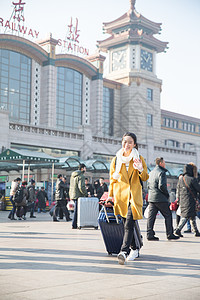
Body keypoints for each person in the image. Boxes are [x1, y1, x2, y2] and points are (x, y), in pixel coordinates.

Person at [107, 132, 149, 265]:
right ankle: (135, 249)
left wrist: (141, 169)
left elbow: (145, 177)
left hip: (133, 196)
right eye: (125, 142)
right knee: (125, 224)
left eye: (130, 142)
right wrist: (110, 196)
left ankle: (124, 251)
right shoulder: (116, 159)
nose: (127, 144)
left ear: (134, 144)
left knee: (129, 224)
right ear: (122, 143)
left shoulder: (138, 158)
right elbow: (112, 180)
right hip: (121, 196)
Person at [147, 157, 179, 241]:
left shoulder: (151, 172)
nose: (165, 164)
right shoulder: (162, 172)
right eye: (164, 162)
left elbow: (148, 185)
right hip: (160, 198)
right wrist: (166, 194)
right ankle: (170, 234)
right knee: (168, 215)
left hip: (152, 198)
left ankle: (149, 234)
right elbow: (162, 186)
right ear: (160, 163)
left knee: (151, 217)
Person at [174, 163, 200, 237]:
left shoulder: (181, 179)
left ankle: (196, 231)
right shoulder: (192, 179)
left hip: (183, 200)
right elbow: (198, 189)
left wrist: (178, 200)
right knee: (186, 216)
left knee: (192, 216)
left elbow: (178, 190)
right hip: (190, 200)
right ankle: (178, 230)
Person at [69, 164, 87, 229]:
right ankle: (74, 224)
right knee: (77, 211)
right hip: (78, 195)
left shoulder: (73, 176)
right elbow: (81, 187)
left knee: (76, 210)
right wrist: (86, 194)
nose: (85, 169)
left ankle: (75, 224)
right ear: (82, 169)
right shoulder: (81, 176)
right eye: (85, 168)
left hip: (73, 194)